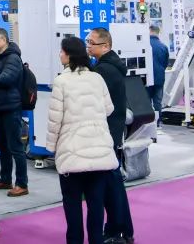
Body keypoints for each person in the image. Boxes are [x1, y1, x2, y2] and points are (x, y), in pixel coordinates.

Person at [46, 37, 118, 244]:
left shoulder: (61, 81)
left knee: (72, 205)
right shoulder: (97, 78)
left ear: (69, 55)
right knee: (96, 205)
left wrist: (51, 146)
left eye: (62, 51)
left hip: (71, 152)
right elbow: (109, 108)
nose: (60, 54)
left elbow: (55, 119)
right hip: (99, 150)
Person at [87, 28, 134, 244]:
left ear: (105, 46)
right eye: (87, 42)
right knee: (112, 185)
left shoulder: (104, 71)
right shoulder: (109, 67)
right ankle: (120, 229)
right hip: (111, 132)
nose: (88, 46)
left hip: (106, 134)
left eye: (92, 43)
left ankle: (119, 230)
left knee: (112, 186)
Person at [0, 28, 28, 198]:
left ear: (4, 40)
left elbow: (7, 78)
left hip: (11, 108)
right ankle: (5, 179)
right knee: (3, 146)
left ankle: (22, 184)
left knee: (16, 147)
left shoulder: (13, 58)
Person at [148, 25, 169, 125]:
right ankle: (157, 121)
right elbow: (165, 63)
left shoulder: (145, 45)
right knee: (157, 102)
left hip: (147, 78)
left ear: (150, 31)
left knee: (147, 101)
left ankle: (148, 122)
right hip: (159, 78)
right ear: (158, 32)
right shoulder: (163, 47)